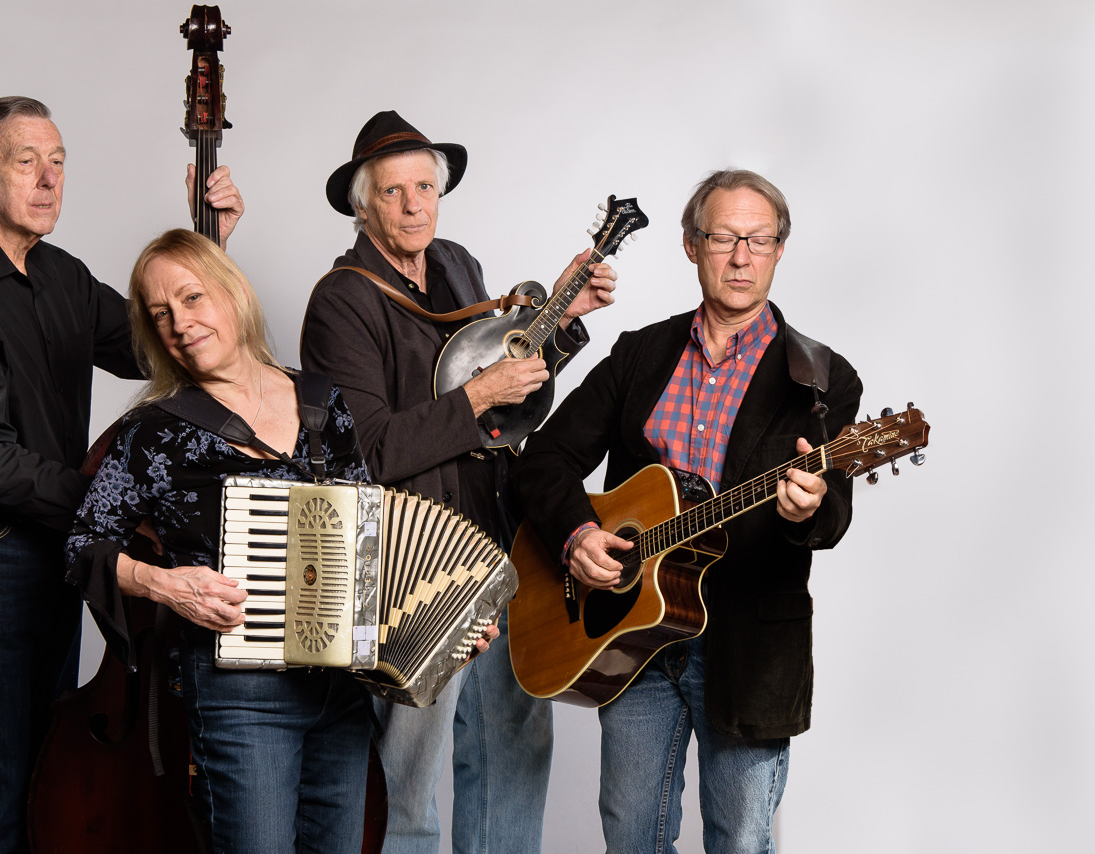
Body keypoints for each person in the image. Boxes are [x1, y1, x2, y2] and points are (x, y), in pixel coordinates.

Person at [0, 96, 243, 854]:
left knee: (42, 786)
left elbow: (164, 349)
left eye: (58, 162)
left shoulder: (61, 275)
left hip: (51, 544)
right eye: (26, 162)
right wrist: (117, 508)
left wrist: (207, 255)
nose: (49, 180)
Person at [511, 169, 864, 854]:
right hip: (631, 639)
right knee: (631, 839)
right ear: (690, 245)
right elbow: (543, 460)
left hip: (749, 645)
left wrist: (809, 507)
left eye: (759, 240)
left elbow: (834, 516)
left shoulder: (823, 378)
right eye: (724, 238)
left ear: (780, 250)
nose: (741, 257)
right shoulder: (640, 354)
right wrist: (578, 535)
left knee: (740, 841)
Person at [300, 110, 617, 854]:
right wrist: (477, 396)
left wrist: (559, 321)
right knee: (409, 774)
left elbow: (507, 401)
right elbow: (367, 451)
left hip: (499, 542)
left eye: (425, 188)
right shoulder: (342, 300)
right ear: (363, 206)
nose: (414, 205)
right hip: (416, 564)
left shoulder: (457, 266)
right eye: (393, 192)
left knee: (512, 750)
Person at [66, 228, 383, 853]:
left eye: (192, 298)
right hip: (242, 697)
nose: (179, 324)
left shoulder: (324, 401)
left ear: (233, 294)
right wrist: (163, 584)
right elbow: (83, 546)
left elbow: (372, 539)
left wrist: (441, 625)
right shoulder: (153, 432)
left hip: (342, 689)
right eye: (160, 314)